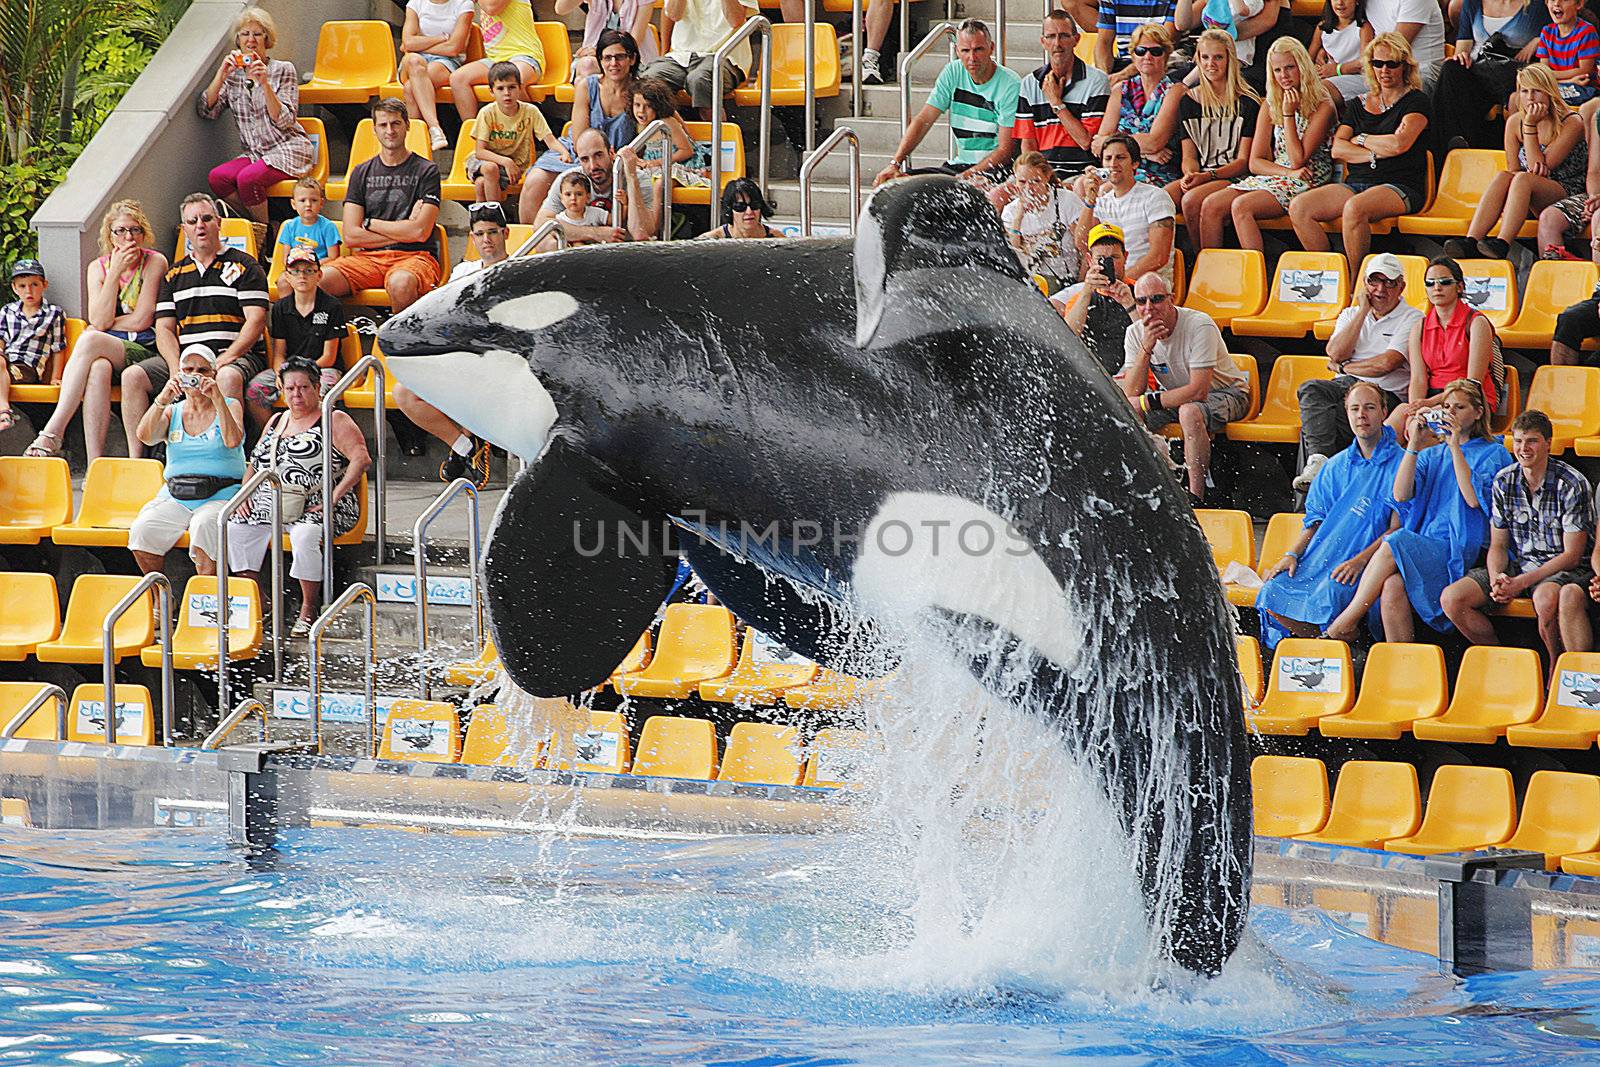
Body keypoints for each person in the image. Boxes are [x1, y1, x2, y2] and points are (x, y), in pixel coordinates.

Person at [1326, 379, 1511, 642]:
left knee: (1395, 540)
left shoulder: (1494, 452)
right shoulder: (1432, 454)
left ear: (1478, 412)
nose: (1451, 413)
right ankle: (1400, 670)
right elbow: (1400, 494)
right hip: (1428, 543)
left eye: (1459, 407)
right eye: (1446, 407)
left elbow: (1472, 499)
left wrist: (1455, 446)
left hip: (1463, 547)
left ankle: (1346, 621)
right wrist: (1413, 443)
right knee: (1391, 587)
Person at [227, 360, 372, 636]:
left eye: (304, 387)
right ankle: (258, 599)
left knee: (304, 536)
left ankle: (308, 607)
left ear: (317, 388)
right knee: (235, 526)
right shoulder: (276, 420)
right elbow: (254, 463)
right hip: (274, 503)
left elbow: (361, 459)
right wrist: (244, 494)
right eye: (290, 388)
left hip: (321, 504)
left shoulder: (333, 419)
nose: (296, 394)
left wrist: (333, 497)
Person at [121, 193, 268, 461]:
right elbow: (164, 328)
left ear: (219, 222)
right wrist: (176, 366)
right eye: (192, 221)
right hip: (189, 360)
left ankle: (228, 458)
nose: (200, 225)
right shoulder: (174, 274)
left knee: (225, 377)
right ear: (184, 228)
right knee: (132, 376)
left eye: (206, 218)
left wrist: (228, 357)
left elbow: (256, 320)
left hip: (236, 357)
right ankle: (137, 461)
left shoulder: (245, 265)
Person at [1257, 381, 1404, 647]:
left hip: (1368, 560)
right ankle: (1327, 645)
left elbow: (1398, 529)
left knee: (1333, 590)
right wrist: (1291, 555)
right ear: (1346, 414)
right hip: (1326, 553)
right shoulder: (1334, 466)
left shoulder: (1402, 464)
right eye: (1355, 409)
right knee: (1272, 591)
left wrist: (1359, 561)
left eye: (1370, 407)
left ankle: (1346, 641)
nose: (1362, 415)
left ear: (1384, 411)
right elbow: (1314, 521)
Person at [1441, 409, 1594, 663]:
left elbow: (1572, 556)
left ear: (1548, 444)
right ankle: (1505, 663)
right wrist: (1497, 579)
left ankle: (1554, 669)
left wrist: (1521, 583)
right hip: (1519, 563)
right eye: (1519, 441)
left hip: (1561, 568)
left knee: (1545, 598)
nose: (1524, 448)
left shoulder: (1571, 483)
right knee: (1452, 598)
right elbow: (1498, 545)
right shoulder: (1505, 480)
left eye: (1532, 441)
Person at [25, 201, 169, 461]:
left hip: (144, 349)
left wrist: (106, 324)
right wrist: (114, 273)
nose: (128, 237)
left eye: (135, 230)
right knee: (98, 367)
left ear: (143, 233)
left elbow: (141, 320)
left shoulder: (154, 262)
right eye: (121, 231)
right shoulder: (99, 268)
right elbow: (99, 318)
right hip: (109, 350)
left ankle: (54, 430)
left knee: (91, 337)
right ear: (109, 235)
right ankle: (95, 464)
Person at [1288, 33, 1431, 278]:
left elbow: (1399, 144)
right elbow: (1338, 148)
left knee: (1354, 208)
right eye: (1377, 63)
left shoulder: (1416, 100)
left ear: (1405, 66)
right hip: (1357, 182)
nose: (1384, 70)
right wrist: (1375, 154)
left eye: (1391, 63)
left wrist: (1362, 139)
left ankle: (1356, 283)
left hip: (1401, 184)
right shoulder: (1358, 104)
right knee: (1300, 207)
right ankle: (1333, 277)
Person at [1120, 273, 1252, 502]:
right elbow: (1132, 392)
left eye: (1157, 299)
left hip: (1229, 393)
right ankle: (1148, 489)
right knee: (1128, 412)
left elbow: (1198, 391)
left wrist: (1146, 401)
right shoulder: (1135, 333)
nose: (1149, 307)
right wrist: (1146, 348)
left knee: (1189, 411)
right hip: (1179, 398)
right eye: (1141, 301)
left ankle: (1194, 497)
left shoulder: (1199, 324)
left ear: (1171, 299)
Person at [1295, 252, 1421, 488]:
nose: (1380, 289)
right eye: (1374, 281)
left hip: (1385, 398)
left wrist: (1344, 367)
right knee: (1314, 402)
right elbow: (1334, 352)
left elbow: (1386, 364)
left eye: (1389, 282)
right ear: (1365, 284)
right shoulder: (1351, 314)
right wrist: (1362, 312)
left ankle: (1316, 485)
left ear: (1401, 286)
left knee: (1318, 422)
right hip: (1347, 392)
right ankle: (1317, 471)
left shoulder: (1412, 317)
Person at [1444, 64, 1586, 260]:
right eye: (1524, 91)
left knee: (1523, 179)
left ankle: (1502, 243)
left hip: (1567, 190)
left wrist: (1529, 126)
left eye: (1536, 91)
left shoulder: (1572, 122)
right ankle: (1471, 240)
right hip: (1527, 193)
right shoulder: (1514, 122)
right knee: (1505, 176)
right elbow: (1513, 169)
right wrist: (1526, 123)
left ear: (1549, 92)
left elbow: (1542, 169)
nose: (1530, 97)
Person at [126, 344, 246, 577]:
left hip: (220, 494)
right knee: (143, 530)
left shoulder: (230, 405)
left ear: (213, 375)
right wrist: (163, 399)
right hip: (177, 494)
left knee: (204, 528)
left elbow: (233, 440)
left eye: (202, 370)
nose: (195, 376)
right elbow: (145, 436)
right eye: (188, 370)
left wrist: (217, 398)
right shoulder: (174, 411)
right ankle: (160, 597)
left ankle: (206, 601)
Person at [320, 99, 443, 314]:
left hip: (415, 257)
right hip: (367, 259)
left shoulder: (427, 171)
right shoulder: (361, 172)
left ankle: (396, 345)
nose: (390, 130)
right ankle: (334, 344)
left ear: (407, 125)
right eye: (383, 125)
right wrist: (405, 230)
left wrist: (370, 223)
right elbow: (351, 235)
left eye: (396, 124)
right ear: (374, 129)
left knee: (401, 283)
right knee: (317, 281)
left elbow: (421, 232)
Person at [1210, 38, 1335, 251]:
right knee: (1212, 205)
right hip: (1281, 175)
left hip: (1309, 177)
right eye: (1277, 70)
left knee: (1241, 206)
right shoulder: (1271, 103)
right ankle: (1209, 272)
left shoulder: (1323, 105)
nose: (1284, 76)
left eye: (1289, 68)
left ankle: (1257, 278)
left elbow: (1298, 160)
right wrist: (1286, 173)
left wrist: (1288, 114)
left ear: (1302, 67)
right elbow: (1255, 162)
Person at [198, 8, 313, 228]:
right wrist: (221, 74)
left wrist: (265, 84)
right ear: (238, 40)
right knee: (217, 177)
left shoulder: (282, 69)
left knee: (248, 179)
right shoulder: (233, 75)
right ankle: (255, 225)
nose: (251, 40)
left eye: (257, 34)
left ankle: (265, 236)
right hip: (254, 152)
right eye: (245, 34)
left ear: (267, 39)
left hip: (287, 147)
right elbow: (206, 110)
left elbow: (285, 121)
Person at [873, 21, 1021, 187]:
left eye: (978, 49)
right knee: (897, 185)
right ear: (957, 51)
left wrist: (963, 178)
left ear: (991, 48)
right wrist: (895, 163)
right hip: (959, 166)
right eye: (965, 51)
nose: (972, 58)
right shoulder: (952, 72)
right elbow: (923, 120)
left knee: (950, 191)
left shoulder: (1010, 84)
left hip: (996, 169)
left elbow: (1005, 150)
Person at [523, 30, 640, 212]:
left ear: (632, 59)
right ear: (600, 61)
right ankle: (536, 238)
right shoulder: (587, 85)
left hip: (616, 157)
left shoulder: (640, 91)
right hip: (579, 151)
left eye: (620, 57)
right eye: (607, 58)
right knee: (535, 181)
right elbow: (578, 138)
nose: (613, 63)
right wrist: (587, 158)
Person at [1174, 29, 1262, 250]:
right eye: (1205, 57)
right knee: (1159, 199)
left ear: (1230, 59)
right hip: (1203, 174)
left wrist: (1207, 176)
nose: (1210, 64)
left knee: (1192, 201)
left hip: (1235, 176)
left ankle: (1205, 265)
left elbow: (1244, 162)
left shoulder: (1247, 102)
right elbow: (1189, 155)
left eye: (1218, 57)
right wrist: (1191, 173)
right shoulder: (1188, 101)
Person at [1392, 256, 1499, 433]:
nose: (1437, 287)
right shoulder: (1419, 327)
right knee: (1395, 421)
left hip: (1468, 401)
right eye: (1430, 283)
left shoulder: (1476, 323)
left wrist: (1428, 404)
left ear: (1460, 287)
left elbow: (1473, 382)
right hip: (1432, 398)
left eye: (1445, 282)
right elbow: (1418, 379)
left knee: (1422, 427)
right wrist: (1415, 409)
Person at [245, 246, 347, 428]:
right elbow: (279, 353)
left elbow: (329, 357)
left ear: (319, 275)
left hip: (322, 368)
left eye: (309, 270)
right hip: (289, 369)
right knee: (255, 390)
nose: (302, 276)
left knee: (320, 391)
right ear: (288, 277)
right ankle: (275, 439)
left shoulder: (332, 306)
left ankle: (315, 441)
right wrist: (281, 373)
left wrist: (300, 373)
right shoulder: (280, 308)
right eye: (296, 271)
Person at [1432, 0, 1547, 150]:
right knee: (1451, 68)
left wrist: (1540, 39)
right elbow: (1463, 48)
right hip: (1479, 70)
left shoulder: (1536, 6)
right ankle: (1453, 145)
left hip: (1514, 74)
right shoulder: (1472, 3)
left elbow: (1560, 28)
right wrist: (1460, 56)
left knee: (1522, 84)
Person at [1011, 13, 1111, 181]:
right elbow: (1028, 144)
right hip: (1041, 174)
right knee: (997, 195)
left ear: (1076, 39)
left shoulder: (1097, 81)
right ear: (1043, 42)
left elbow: (1086, 142)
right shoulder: (1029, 83)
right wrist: (1036, 179)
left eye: (1064, 36)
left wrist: (1056, 102)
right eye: (1051, 36)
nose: (1057, 43)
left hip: (1082, 173)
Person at [1072, 134, 1176, 284]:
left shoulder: (1155, 197)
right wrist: (1090, 200)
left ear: (1135, 164)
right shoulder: (1100, 202)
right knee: (1056, 303)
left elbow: (1158, 257)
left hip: (1147, 286)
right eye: (1108, 159)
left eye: (1120, 158)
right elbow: (1082, 243)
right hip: (1109, 284)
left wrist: (1120, 281)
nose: (1113, 164)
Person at [467, 61, 568, 209]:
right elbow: (480, 152)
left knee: (482, 183)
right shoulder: (487, 113)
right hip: (485, 162)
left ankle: (482, 216)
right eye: (500, 88)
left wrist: (564, 152)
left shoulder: (530, 111)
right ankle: (496, 214)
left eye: (512, 87)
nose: (507, 93)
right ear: (491, 91)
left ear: (520, 88)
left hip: (515, 166)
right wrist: (506, 162)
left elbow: (550, 139)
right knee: (490, 169)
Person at [1093, 23, 1184, 188]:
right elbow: (1099, 144)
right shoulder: (1120, 89)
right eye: (1141, 51)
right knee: (1082, 184)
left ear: (1165, 55)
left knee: (1105, 190)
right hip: (1117, 169)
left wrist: (1117, 142)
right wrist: (1146, 154)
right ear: (1133, 56)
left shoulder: (1175, 91)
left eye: (1155, 51)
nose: (1147, 56)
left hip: (1158, 174)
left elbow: (1154, 142)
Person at [639, 0, 758, 120]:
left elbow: (736, 20)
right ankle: (669, 133)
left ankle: (717, 135)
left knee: (700, 81)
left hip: (723, 56)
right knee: (649, 81)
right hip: (681, 56)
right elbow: (673, 14)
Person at [1052, 221, 1136, 375]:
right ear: (1090, 260)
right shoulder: (1081, 297)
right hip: (1091, 378)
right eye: (1101, 259)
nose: (1109, 264)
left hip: (1131, 376)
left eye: (1114, 258)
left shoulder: (1140, 292)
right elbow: (1068, 338)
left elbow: (1154, 339)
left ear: (1125, 257)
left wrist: (1130, 304)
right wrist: (1086, 292)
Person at [1325, 0, 1446, 99]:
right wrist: (1325, 49)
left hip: (1419, 75)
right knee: (1322, 90)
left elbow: (1393, 50)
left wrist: (1340, 69)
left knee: (1388, 97)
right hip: (1379, 72)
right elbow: (1346, 24)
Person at [449, 0, 547, 123]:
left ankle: (528, 131)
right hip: (494, 60)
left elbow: (491, 8)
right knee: (458, 78)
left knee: (511, 77)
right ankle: (475, 133)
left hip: (524, 56)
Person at [530, 128, 636, 240]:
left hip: (621, 251)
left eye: (598, 155)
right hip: (579, 249)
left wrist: (632, 180)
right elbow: (540, 225)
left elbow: (643, 234)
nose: (593, 166)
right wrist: (595, 233)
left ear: (611, 153)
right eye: (585, 159)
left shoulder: (634, 176)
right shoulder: (568, 181)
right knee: (546, 242)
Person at [397, 0, 476, 151]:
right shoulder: (415, 3)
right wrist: (442, 38)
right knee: (414, 62)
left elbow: (454, 48)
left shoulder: (464, 4)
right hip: (414, 60)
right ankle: (435, 127)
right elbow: (407, 43)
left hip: (446, 61)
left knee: (411, 88)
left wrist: (420, 44)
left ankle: (415, 150)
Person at [1003, 151, 1087, 289]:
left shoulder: (1066, 200)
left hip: (1065, 279)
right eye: (1022, 182)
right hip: (1029, 281)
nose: (1029, 189)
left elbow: (1083, 248)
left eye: (1035, 181)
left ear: (1047, 177)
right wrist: (1018, 217)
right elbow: (1013, 251)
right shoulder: (1010, 211)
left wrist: (1080, 286)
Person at [1535, 96, 1600, 263]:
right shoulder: (1598, 118)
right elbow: (1594, 171)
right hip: (1597, 195)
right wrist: (1593, 198)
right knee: (1549, 218)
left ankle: (1596, 286)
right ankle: (1558, 283)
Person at [556, 0, 656, 83]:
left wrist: (600, 51)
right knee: (587, 65)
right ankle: (586, 105)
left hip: (632, 58)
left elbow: (634, 40)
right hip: (595, 57)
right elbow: (560, 8)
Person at [273, 178, 341, 297]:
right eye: (302, 200)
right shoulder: (289, 226)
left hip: (318, 269)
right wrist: (298, 268)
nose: (308, 204)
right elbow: (286, 258)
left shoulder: (328, 227)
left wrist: (310, 266)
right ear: (293, 204)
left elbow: (334, 257)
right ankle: (287, 313)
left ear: (321, 203)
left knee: (315, 281)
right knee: (283, 282)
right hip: (295, 268)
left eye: (314, 200)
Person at [1535, 0, 1599, 105]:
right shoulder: (1546, 32)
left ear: (1579, 4)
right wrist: (1567, 81)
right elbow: (1544, 71)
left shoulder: (1586, 31)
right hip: (1558, 84)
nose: (1556, 3)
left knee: (1541, 97)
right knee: (1517, 96)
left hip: (1584, 89)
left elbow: (1584, 72)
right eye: (1552, 0)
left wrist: (1549, 75)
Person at [695, 177, 786, 239]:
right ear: (730, 209)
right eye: (740, 207)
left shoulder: (776, 239)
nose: (749, 211)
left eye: (754, 205)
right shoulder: (712, 240)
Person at [1311, 0, 1373, 82]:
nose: (1340, 2)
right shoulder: (1322, 27)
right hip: (1327, 75)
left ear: (1357, 1)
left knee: (1322, 88)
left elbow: (1365, 62)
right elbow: (1309, 57)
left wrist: (1337, 69)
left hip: (1355, 77)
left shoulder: (1363, 27)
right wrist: (1315, 68)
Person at [452, 201, 513, 280]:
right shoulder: (462, 271)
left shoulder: (518, 270)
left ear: (506, 233)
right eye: (479, 234)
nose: (486, 239)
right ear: (473, 238)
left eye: (492, 232)